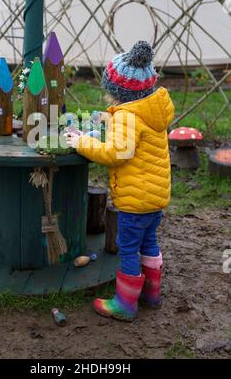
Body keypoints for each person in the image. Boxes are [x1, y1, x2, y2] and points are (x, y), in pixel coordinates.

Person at [66, 41, 175, 322]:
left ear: (118, 92)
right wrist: (106, 122)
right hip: (155, 196)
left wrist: (82, 142)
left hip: (135, 200)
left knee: (127, 247)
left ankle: (126, 303)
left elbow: (116, 153)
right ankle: (152, 293)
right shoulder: (151, 110)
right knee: (149, 242)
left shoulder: (127, 116)